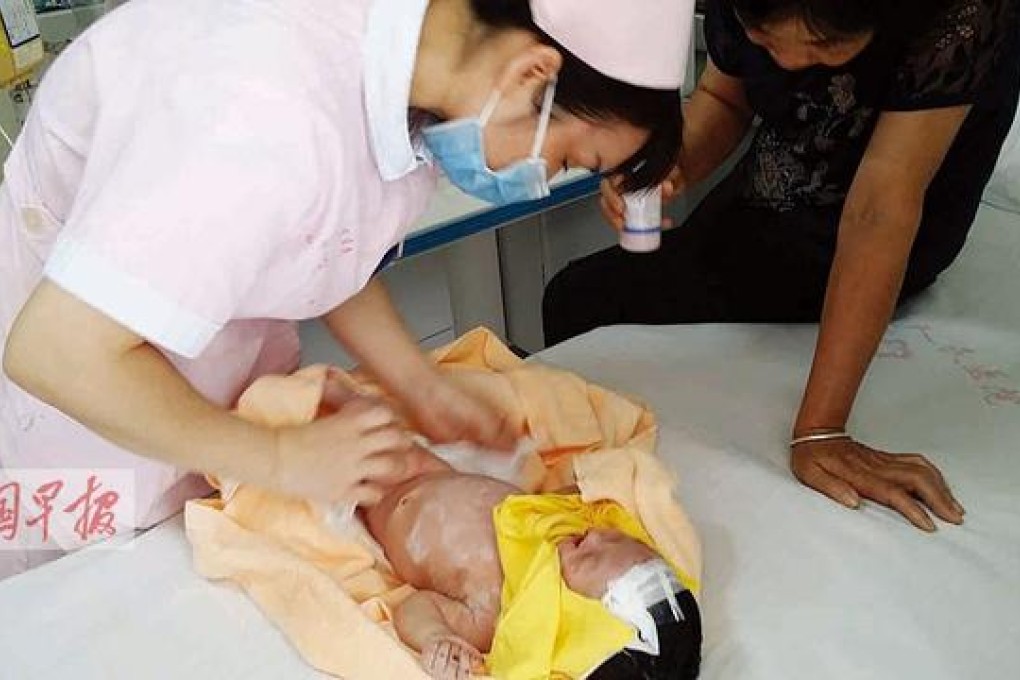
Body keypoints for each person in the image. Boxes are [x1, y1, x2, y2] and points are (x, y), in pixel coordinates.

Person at [0, 0, 693, 578]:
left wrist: (418, 385)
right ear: (532, 72)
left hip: (207, 395)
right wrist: (274, 458)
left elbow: (321, 233)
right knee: (83, 601)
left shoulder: (415, 73)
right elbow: (57, 355)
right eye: (567, 158)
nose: (545, 175)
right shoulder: (258, 112)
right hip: (79, 423)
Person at [543, 0, 1020, 532]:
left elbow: (879, 211)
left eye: (823, 48)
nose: (790, 64)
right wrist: (672, 165)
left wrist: (821, 431)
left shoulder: (961, 16)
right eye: (765, 39)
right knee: (576, 298)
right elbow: (726, 96)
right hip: (765, 201)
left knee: (582, 299)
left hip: (878, 235)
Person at [363, 457, 703, 680]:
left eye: (589, 557)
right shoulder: (563, 527)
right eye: (615, 538)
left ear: (572, 610)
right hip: (427, 462)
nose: (595, 536)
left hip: (376, 500)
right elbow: (601, 485)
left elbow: (416, 608)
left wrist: (435, 637)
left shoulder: (497, 613)